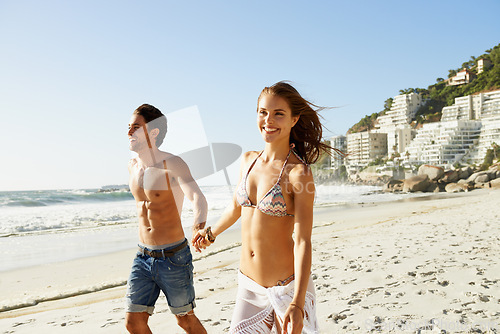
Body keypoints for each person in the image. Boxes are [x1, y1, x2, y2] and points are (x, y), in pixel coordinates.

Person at [193, 81, 336, 333]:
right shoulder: (248, 160)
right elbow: (236, 208)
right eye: (263, 112)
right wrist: (211, 233)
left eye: (278, 113)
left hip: (286, 289)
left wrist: (298, 302)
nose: (268, 120)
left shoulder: (299, 174)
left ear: (294, 120)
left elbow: (303, 241)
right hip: (248, 286)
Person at [126, 104, 208, 334]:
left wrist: (198, 226)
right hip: (142, 256)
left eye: (136, 127)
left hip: (173, 257)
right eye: (129, 127)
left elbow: (197, 197)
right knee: (133, 323)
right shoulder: (132, 166)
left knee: (185, 321)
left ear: (153, 132)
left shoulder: (173, 163)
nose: (129, 132)